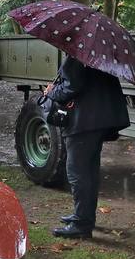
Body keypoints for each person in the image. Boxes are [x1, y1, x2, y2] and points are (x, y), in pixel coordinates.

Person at [47, 56, 129, 240]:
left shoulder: (77, 56)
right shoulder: (100, 54)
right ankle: (84, 216)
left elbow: (71, 87)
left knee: (77, 173)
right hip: (98, 122)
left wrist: (52, 91)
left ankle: (81, 224)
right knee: (90, 172)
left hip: (83, 123)